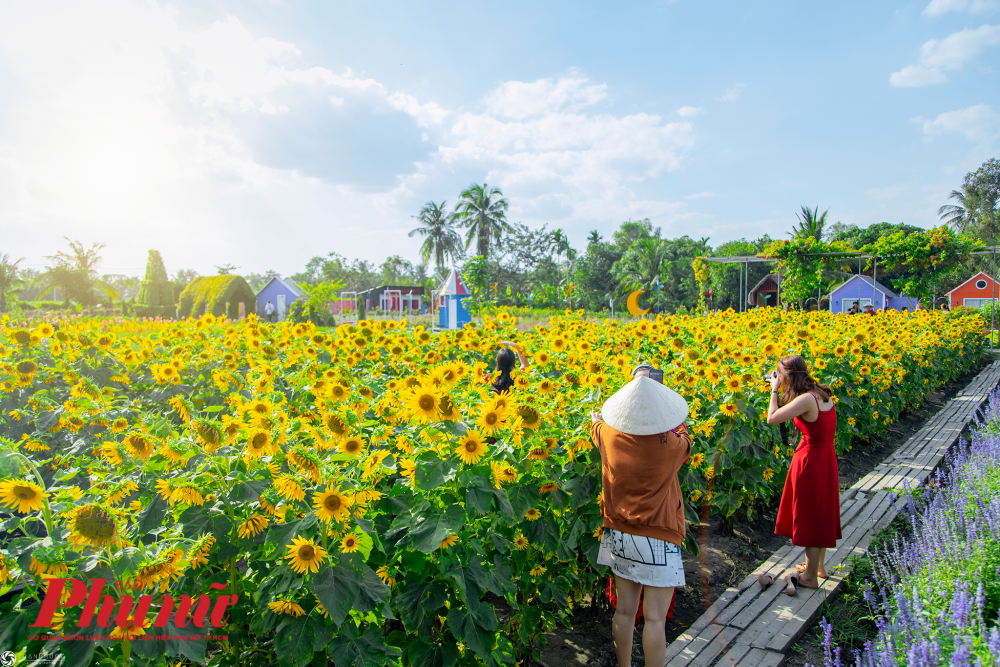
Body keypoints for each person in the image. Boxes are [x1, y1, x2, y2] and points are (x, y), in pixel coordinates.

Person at [590, 375, 691, 667]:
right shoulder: (670, 445)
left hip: (619, 533)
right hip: (659, 536)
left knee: (624, 611)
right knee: (655, 619)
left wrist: (598, 419)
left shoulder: (608, 434)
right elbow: (686, 439)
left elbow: (596, 424)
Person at [763, 355, 841, 595]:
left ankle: (808, 578)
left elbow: (772, 418)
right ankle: (817, 568)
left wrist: (773, 390)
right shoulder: (821, 393)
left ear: (788, 376)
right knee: (821, 511)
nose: (779, 379)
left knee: (810, 516)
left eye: (780, 375)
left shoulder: (806, 399)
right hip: (826, 458)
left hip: (809, 462)